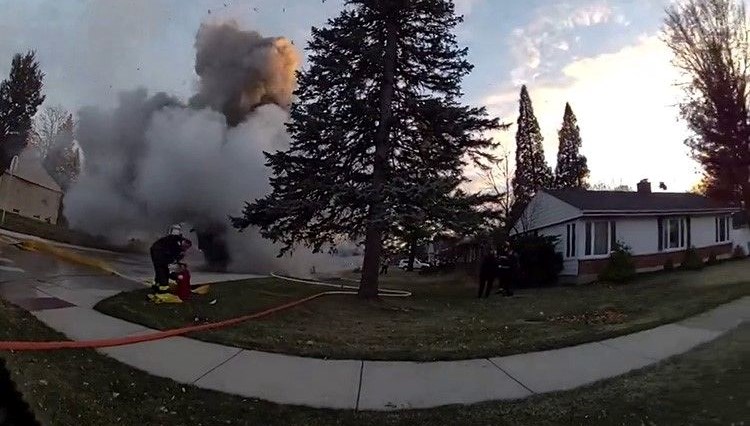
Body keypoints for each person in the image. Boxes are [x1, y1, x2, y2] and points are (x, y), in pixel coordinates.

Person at [150, 228, 192, 294]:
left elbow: (174, 259)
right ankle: (163, 290)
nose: (185, 249)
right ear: (183, 242)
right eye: (185, 247)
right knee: (161, 270)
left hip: (161, 252)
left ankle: (157, 285)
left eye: (187, 248)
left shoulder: (178, 246)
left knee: (162, 269)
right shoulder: (174, 242)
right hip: (158, 251)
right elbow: (173, 259)